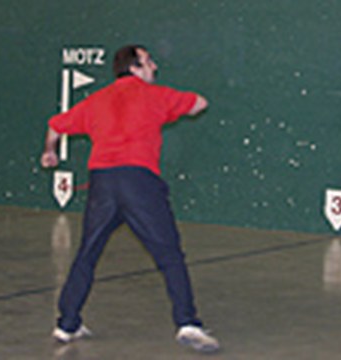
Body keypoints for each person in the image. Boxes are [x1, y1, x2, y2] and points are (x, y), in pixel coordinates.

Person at [41, 45, 219, 353]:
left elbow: (55, 125)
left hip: (102, 184)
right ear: (135, 68)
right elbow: (200, 103)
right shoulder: (156, 95)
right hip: (139, 183)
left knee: (88, 253)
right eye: (149, 62)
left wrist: (50, 151)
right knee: (169, 255)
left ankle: (66, 325)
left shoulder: (96, 100)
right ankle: (188, 324)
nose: (155, 68)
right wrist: (172, 109)